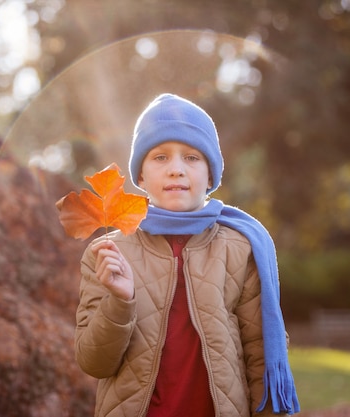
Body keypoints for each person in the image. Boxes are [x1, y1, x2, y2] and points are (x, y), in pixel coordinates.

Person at [74, 93, 300, 416]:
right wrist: (119, 302)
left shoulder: (239, 249)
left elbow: (259, 357)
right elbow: (92, 361)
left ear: (211, 176)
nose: (176, 170)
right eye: (160, 157)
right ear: (140, 176)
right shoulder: (110, 253)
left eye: (192, 158)